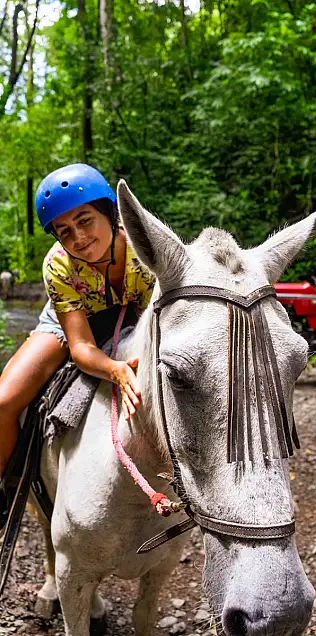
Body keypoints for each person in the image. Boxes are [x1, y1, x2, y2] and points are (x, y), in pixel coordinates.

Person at [0, 163, 155, 532]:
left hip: (135, 313)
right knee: (4, 402)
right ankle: (8, 483)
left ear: (109, 212)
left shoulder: (144, 247)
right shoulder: (58, 265)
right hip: (71, 320)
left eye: (85, 221)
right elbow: (81, 345)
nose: (78, 238)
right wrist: (116, 370)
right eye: (64, 231)